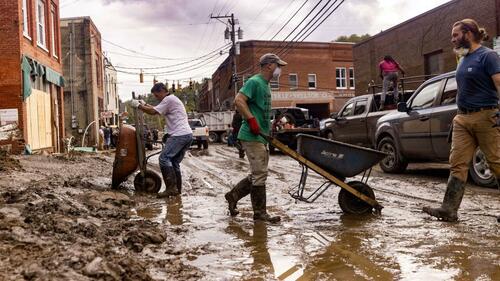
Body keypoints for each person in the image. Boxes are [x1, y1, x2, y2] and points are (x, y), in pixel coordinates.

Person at [423, 19, 500, 222]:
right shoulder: (463, 59)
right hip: (462, 118)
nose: (453, 40)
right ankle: (449, 209)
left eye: (455, 35)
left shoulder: (488, 56)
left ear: (468, 33)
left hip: (486, 116)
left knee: (496, 162)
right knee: (457, 164)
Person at [224, 53, 287, 223]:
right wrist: (251, 119)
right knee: (260, 174)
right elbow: (239, 100)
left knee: (257, 174)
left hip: (261, 136)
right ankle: (259, 213)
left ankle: (233, 195)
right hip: (251, 135)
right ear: (269, 66)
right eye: (278, 65)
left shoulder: (266, 85)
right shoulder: (255, 82)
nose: (280, 69)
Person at [131, 83, 193, 197]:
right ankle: (176, 190)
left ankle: (171, 189)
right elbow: (155, 109)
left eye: (156, 95)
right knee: (174, 163)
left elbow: (153, 112)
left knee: (164, 158)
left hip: (179, 134)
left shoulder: (169, 99)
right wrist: (145, 104)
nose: (156, 97)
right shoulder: (171, 99)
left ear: (163, 91)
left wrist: (139, 106)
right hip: (186, 134)